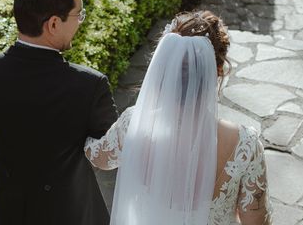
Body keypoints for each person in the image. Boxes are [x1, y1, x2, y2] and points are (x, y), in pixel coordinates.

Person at [85, 11, 271, 225]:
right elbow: (256, 219)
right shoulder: (244, 145)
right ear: (217, 71)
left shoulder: (134, 124)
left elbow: (98, 157)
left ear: (164, 68)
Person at [0, 0, 118, 225]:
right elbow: (110, 152)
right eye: (78, 15)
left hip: (11, 210)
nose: (81, 21)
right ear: (54, 24)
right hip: (71, 214)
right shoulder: (89, 86)